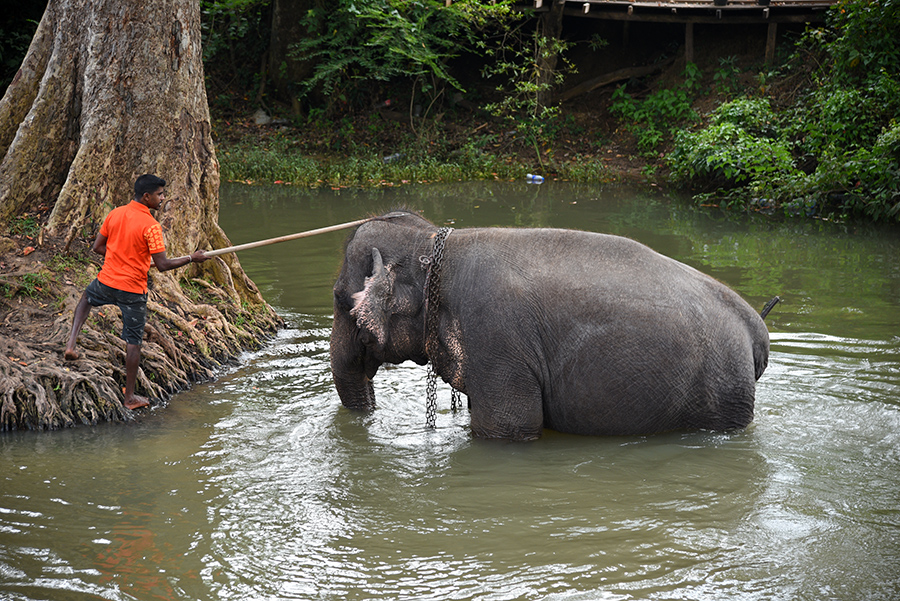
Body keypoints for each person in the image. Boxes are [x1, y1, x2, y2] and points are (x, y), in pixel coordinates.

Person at [64, 174, 208, 409]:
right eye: (160, 194)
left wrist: (122, 259)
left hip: (106, 282)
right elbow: (162, 265)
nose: (163, 198)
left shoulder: (116, 213)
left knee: (86, 298)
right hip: (132, 291)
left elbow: (98, 247)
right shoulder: (151, 226)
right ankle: (129, 397)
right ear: (146, 196)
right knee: (134, 341)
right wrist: (193, 257)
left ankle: (71, 345)